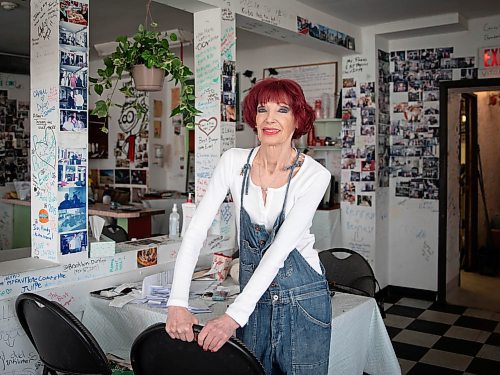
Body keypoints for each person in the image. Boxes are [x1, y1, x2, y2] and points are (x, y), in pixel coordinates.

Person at [166, 78, 332, 374]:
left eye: (282, 109)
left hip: (302, 300)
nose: (270, 119)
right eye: (262, 109)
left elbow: (278, 251)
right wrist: (177, 301)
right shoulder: (232, 162)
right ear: (253, 118)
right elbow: (196, 230)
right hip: (252, 300)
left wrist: (232, 317)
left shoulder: (314, 175)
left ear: (298, 118)